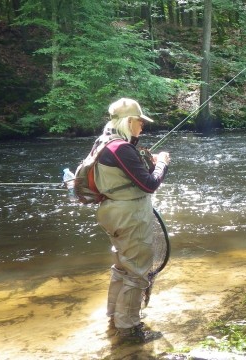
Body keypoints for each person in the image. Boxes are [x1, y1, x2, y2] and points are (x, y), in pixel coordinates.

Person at [94, 98, 171, 343]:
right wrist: (161, 164)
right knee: (137, 272)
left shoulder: (104, 142)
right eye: (140, 121)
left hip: (112, 211)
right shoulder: (121, 149)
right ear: (128, 121)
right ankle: (129, 330)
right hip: (129, 215)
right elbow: (149, 184)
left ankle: (114, 317)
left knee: (122, 267)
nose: (143, 126)